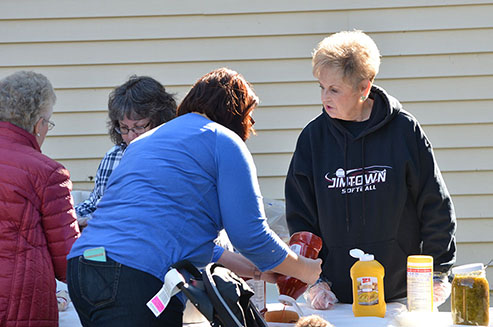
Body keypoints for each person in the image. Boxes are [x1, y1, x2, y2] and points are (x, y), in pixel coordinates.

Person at [67, 67, 322, 327]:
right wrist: (305, 270)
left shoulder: (144, 143)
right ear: (236, 113)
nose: (251, 126)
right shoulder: (222, 139)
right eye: (250, 116)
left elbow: (176, 238)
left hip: (84, 267)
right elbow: (250, 236)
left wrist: (256, 269)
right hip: (134, 278)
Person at [285, 31, 456, 308]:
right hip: (335, 297)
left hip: (401, 294)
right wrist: (313, 279)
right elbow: (301, 217)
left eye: (334, 90)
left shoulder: (404, 131)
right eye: (321, 87)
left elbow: (434, 204)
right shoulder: (312, 139)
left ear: (363, 88)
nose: (324, 97)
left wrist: (437, 271)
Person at [0, 71, 80, 326]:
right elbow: (69, 262)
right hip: (22, 300)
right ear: (38, 124)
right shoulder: (48, 173)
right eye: (48, 123)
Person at [74, 75, 177, 226]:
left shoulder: (176, 159)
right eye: (124, 128)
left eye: (139, 126)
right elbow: (94, 204)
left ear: (160, 120)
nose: (130, 136)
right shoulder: (114, 156)